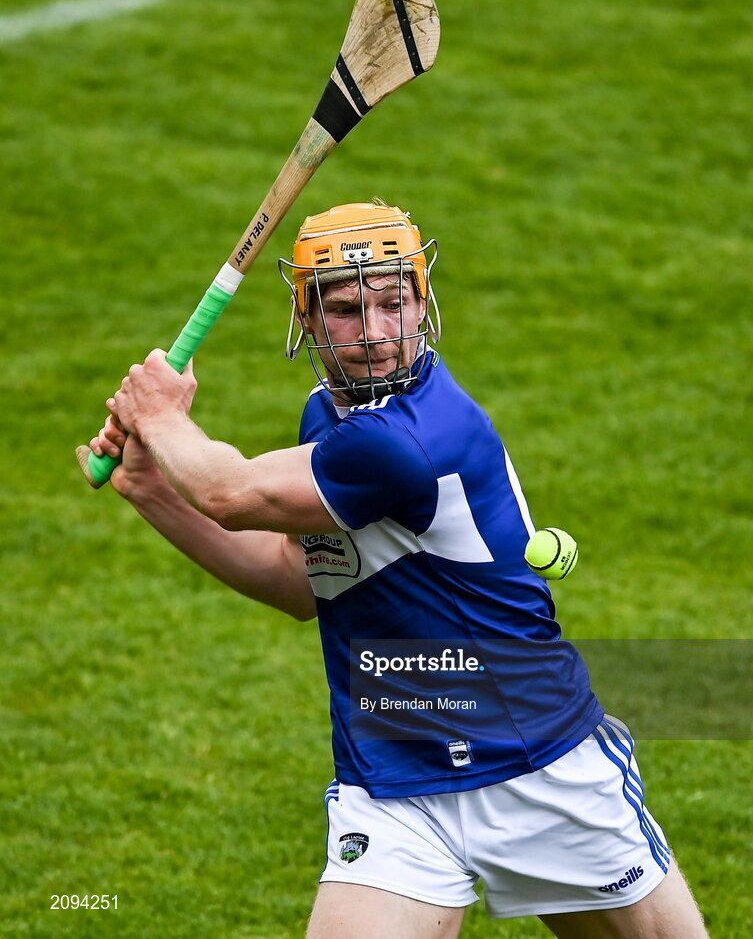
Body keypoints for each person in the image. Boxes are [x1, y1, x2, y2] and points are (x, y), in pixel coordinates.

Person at [90, 200, 709, 939]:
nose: (377, 334)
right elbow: (298, 581)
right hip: (392, 779)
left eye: (394, 302)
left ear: (422, 301)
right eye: (349, 310)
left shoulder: (412, 437)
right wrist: (152, 487)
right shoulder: (330, 419)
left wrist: (160, 418)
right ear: (309, 322)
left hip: (533, 764)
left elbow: (229, 492)